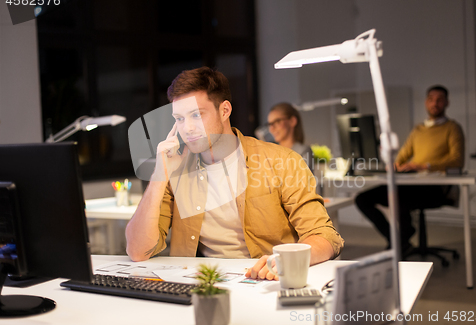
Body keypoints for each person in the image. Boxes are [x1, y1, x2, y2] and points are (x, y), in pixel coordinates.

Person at [126, 67, 344, 281]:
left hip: (266, 280)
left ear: (224, 110)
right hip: (202, 283)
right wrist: (159, 175)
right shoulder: (175, 170)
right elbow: (138, 251)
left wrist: (287, 260)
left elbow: (325, 236)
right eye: (180, 119)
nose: (188, 128)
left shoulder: (282, 161)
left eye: (196, 115)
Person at [355, 85, 465, 253]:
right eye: (431, 99)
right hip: (411, 184)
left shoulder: (452, 128)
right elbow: (402, 156)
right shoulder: (418, 130)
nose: (435, 103)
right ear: (425, 102)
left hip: (436, 189)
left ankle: (404, 236)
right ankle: (398, 240)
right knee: (363, 199)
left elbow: (457, 160)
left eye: (439, 100)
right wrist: (395, 164)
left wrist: (424, 166)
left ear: (447, 103)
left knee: (398, 194)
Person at [267, 103, 313, 169]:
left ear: (292, 121)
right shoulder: (269, 151)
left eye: (277, 121)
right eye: (270, 124)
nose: (271, 129)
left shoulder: (302, 151)